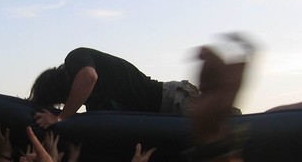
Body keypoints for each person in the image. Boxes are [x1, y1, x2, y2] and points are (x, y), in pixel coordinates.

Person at [29, 47, 200, 128]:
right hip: (159, 116)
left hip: (172, 99)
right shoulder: (94, 103)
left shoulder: (75, 58)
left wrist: (60, 118)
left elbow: (89, 77)